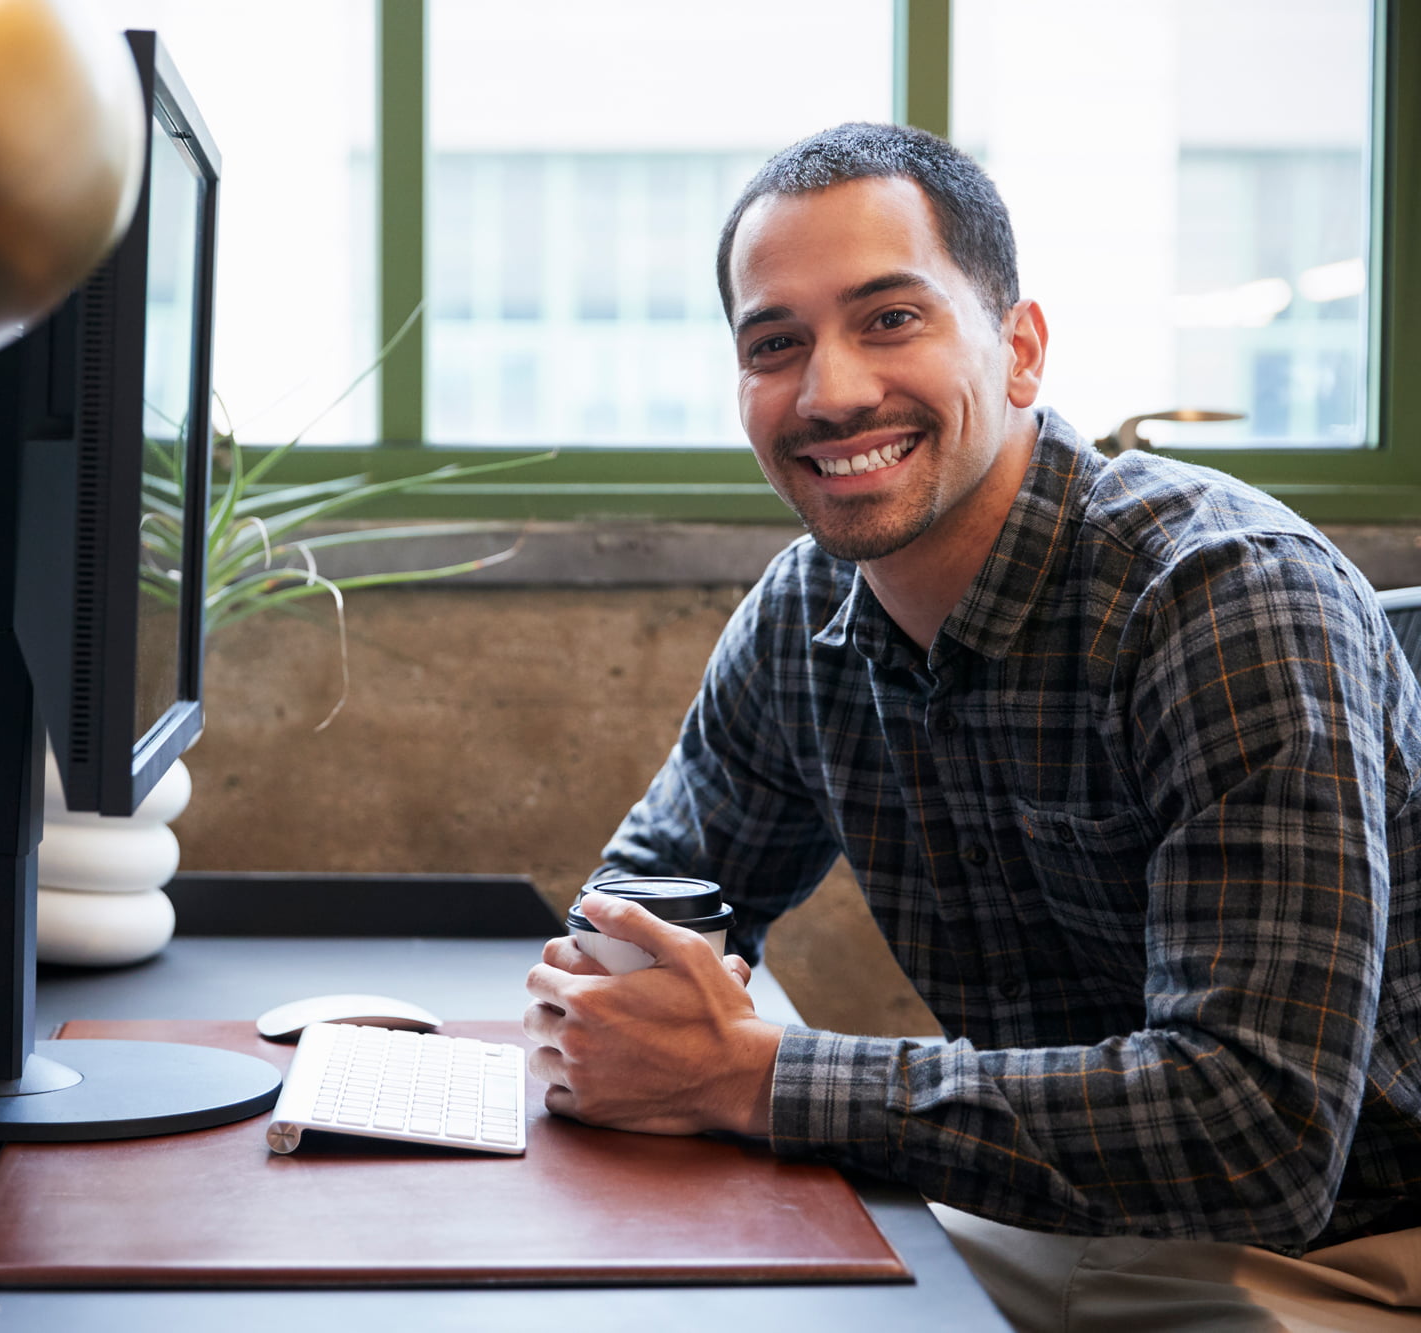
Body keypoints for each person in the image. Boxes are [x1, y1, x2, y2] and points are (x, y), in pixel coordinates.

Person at [522, 122, 1421, 1331]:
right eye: (773, 342)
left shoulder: (1222, 596)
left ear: (1018, 350)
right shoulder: (805, 612)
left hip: (1340, 1248)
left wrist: (753, 1074)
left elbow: (1255, 1127)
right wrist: (620, 1009)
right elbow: (644, 902)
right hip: (1056, 1223)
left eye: (889, 318)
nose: (828, 391)